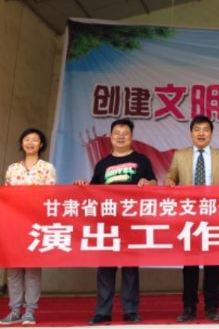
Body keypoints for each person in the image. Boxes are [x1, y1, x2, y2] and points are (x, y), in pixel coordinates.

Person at [76, 119, 157, 325]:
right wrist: (83, 186)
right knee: (106, 268)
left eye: (125, 133)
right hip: (108, 223)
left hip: (132, 221)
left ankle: (131, 311)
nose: (121, 136)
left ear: (131, 137)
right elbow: (93, 190)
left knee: (130, 268)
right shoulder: (102, 164)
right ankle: (102, 312)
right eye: (117, 133)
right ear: (111, 137)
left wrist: (148, 183)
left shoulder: (141, 160)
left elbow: (154, 183)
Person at [165, 115, 219, 322]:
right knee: (190, 265)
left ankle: (212, 307)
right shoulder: (180, 155)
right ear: (191, 133)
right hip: (188, 216)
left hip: (214, 216)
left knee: (213, 265)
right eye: (197, 129)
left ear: (211, 134)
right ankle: (189, 307)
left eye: (205, 129)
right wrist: (169, 182)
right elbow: (171, 176)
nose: (201, 133)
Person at [1, 128, 56, 325]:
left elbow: (50, 196)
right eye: (27, 139)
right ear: (21, 143)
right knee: (13, 269)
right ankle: (15, 311)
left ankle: (30, 311)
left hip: (35, 224)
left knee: (32, 269)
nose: (30, 143)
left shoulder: (47, 168)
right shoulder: (12, 168)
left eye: (35, 140)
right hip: (14, 223)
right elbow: (7, 196)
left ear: (41, 145)